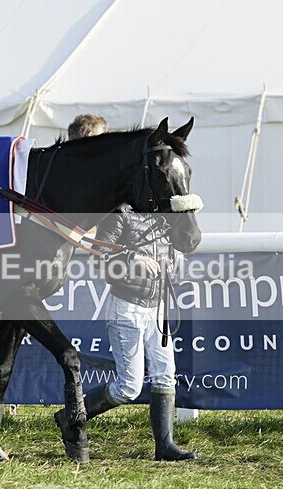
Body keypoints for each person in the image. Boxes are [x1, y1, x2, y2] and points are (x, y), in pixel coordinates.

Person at [56, 114, 197, 461]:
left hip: (159, 307)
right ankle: (70, 416)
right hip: (128, 308)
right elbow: (103, 254)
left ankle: (165, 446)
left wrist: (176, 261)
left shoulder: (162, 210)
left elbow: (174, 246)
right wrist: (133, 259)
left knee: (165, 376)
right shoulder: (118, 213)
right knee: (128, 387)